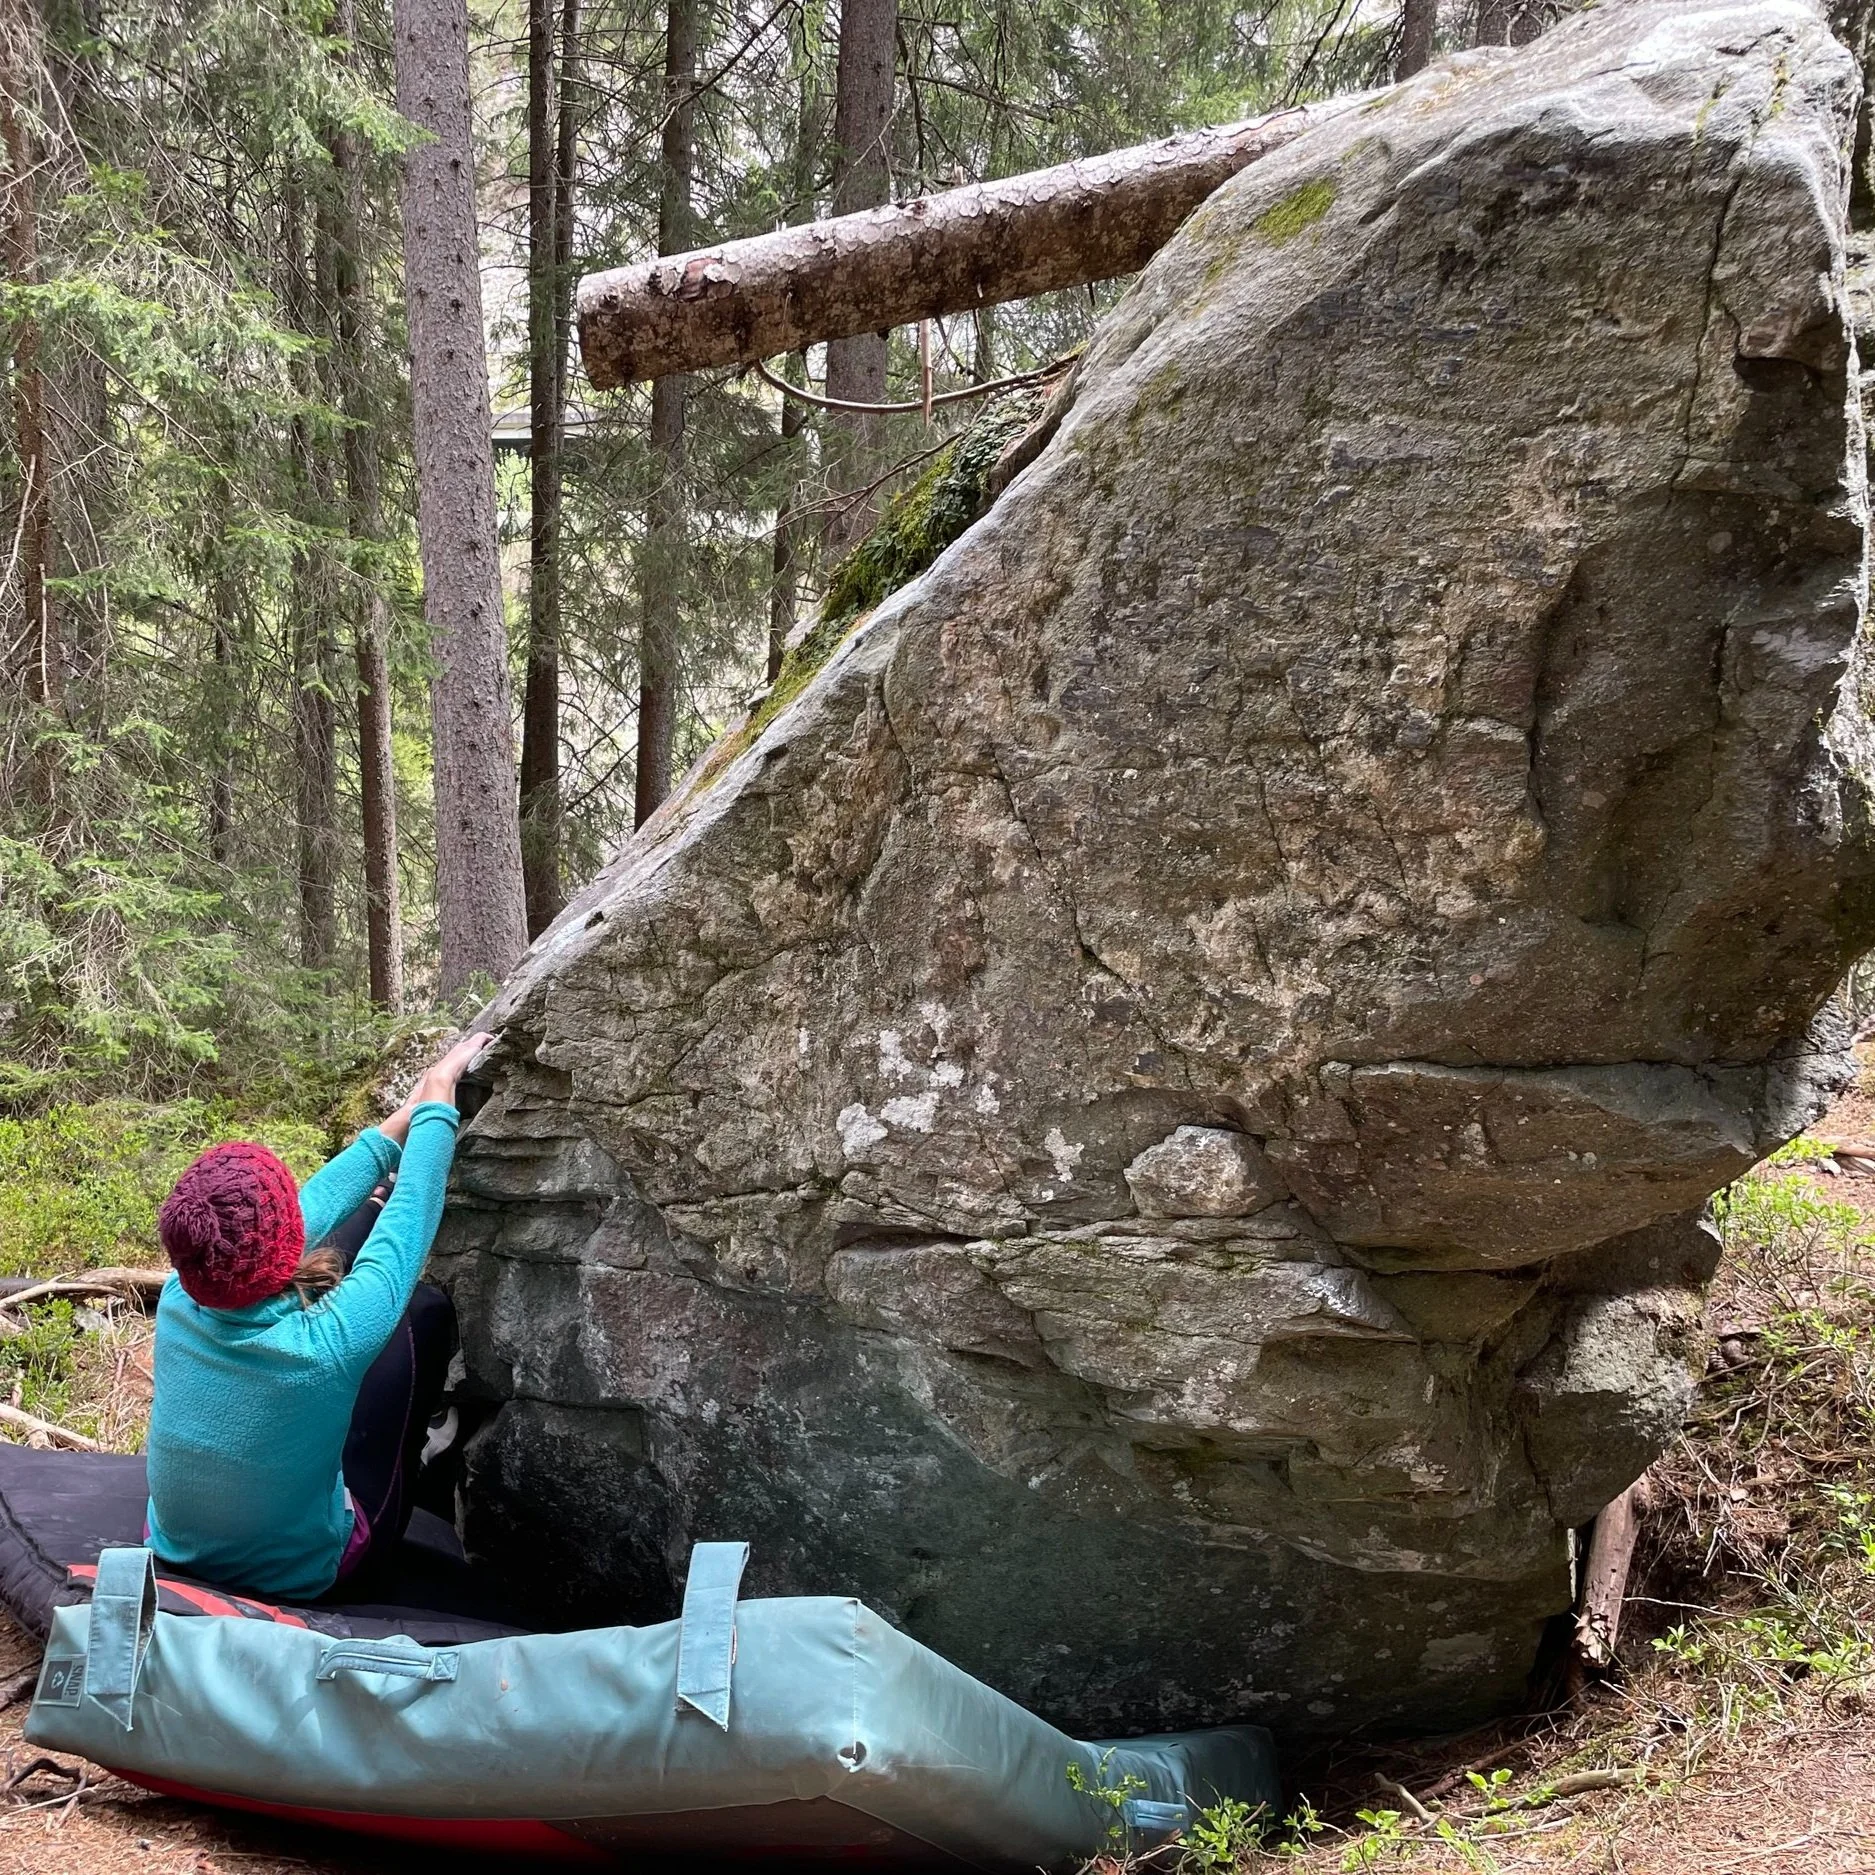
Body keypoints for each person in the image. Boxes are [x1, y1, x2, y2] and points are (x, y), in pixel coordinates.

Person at [144, 1031, 494, 1600]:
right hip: (304, 1573)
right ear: (285, 1244)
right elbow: (403, 1240)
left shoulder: (178, 1299)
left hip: (177, 1547)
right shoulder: (324, 1346)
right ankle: (423, 1455)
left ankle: (375, 1192)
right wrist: (436, 1108)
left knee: (347, 1231)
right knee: (422, 1312)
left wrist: (396, 1125)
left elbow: (293, 1222)